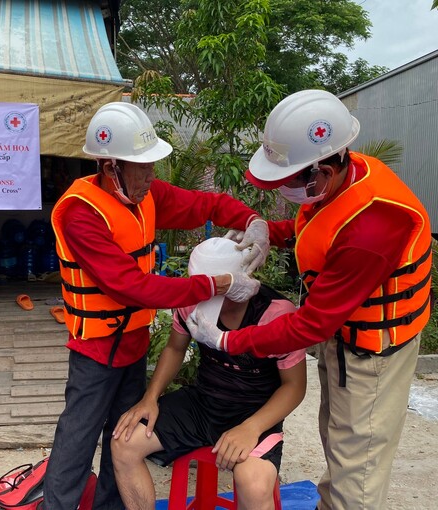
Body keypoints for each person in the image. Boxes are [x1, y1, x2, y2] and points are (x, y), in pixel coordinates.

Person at [187, 89, 432, 510]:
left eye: (292, 179)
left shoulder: (374, 226)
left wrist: (230, 341)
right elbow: (320, 232)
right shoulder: (342, 178)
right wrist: (269, 233)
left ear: (324, 166)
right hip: (346, 337)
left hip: (373, 353)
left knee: (360, 462)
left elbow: (312, 325)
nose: (284, 188)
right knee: (337, 437)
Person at [45, 102, 271, 510]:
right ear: (111, 166)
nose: (152, 175)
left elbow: (206, 205)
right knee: (76, 440)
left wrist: (252, 219)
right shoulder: (81, 212)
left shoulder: (146, 194)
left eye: (152, 165)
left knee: (120, 436)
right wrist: (217, 283)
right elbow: (132, 286)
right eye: (142, 166)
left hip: (132, 343)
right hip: (95, 351)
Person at [110, 237, 306, 510]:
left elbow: (294, 386)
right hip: (203, 403)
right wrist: (150, 398)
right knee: (124, 442)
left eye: (218, 289)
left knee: (254, 481)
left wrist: (251, 428)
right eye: (202, 289)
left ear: (241, 282)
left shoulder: (276, 313)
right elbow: (175, 348)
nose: (205, 298)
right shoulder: (191, 301)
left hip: (256, 412)